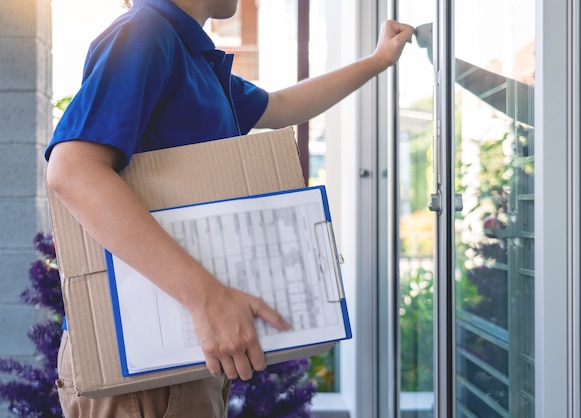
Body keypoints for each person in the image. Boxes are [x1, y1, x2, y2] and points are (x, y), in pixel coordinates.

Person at [45, 0, 414, 416]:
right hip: (139, 357)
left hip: (176, 349)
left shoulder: (191, 57)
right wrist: (208, 300)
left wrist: (379, 60)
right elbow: (73, 170)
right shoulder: (144, 35)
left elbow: (282, 106)